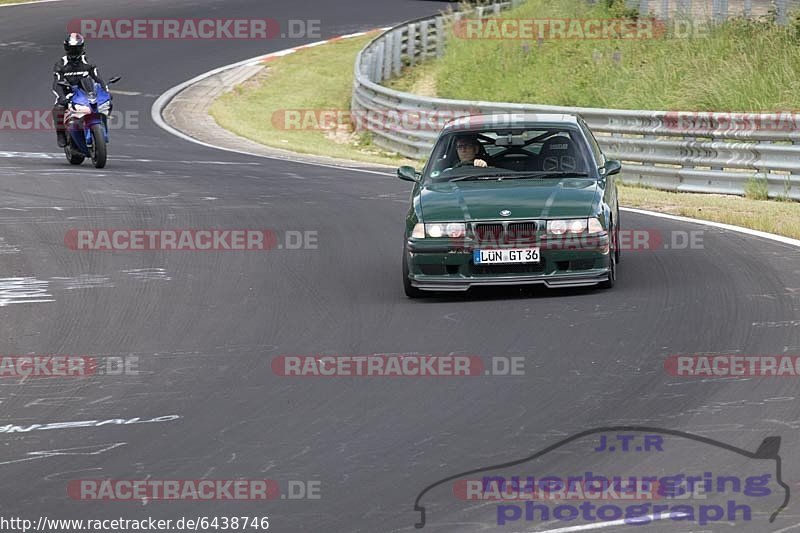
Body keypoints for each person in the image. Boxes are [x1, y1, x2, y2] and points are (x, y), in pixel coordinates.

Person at [52, 33, 107, 147]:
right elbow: (57, 83)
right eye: (71, 49)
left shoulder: (88, 63)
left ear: (82, 47)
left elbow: (98, 78)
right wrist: (62, 97)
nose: (74, 51)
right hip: (68, 93)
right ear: (66, 49)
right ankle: (61, 133)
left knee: (104, 103)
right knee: (58, 108)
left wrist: (105, 91)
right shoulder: (61, 64)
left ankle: (101, 127)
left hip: (86, 92)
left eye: (76, 48)